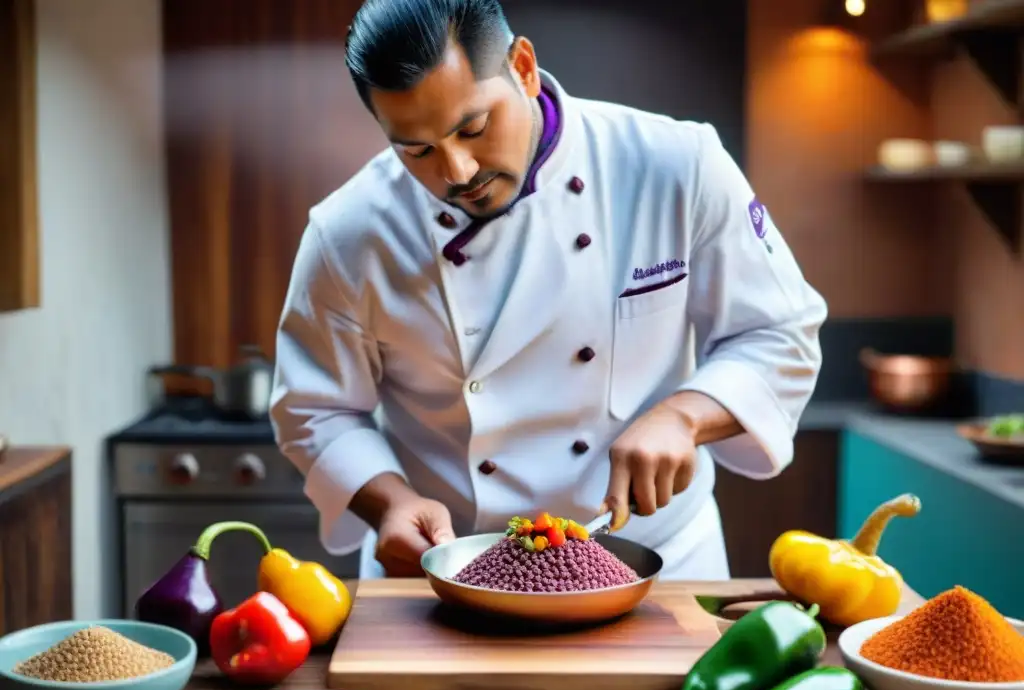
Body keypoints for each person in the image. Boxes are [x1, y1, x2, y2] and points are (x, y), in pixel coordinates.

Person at [269, 0, 828, 580]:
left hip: (654, 561)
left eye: (474, 127)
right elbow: (315, 410)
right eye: (417, 150)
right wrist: (389, 502)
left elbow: (780, 332)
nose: (457, 171)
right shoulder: (349, 232)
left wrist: (685, 417)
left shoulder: (676, 164)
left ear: (524, 67)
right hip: (449, 568)